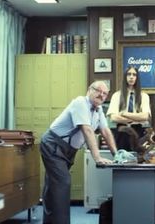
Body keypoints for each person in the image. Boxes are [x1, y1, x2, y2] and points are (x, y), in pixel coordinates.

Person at [40, 81, 117, 224]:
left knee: (53, 187)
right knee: (63, 184)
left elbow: (106, 131)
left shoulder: (98, 110)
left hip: (68, 150)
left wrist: (116, 154)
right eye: (98, 90)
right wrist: (97, 157)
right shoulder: (80, 103)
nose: (101, 95)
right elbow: (87, 130)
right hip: (53, 145)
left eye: (105, 93)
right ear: (89, 90)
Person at [107, 65, 151, 151]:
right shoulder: (117, 95)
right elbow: (114, 117)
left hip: (138, 132)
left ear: (137, 78)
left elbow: (145, 116)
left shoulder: (144, 96)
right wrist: (136, 118)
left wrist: (124, 114)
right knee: (122, 159)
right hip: (122, 132)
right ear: (125, 77)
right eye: (129, 74)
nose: (131, 77)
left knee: (138, 160)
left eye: (134, 75)